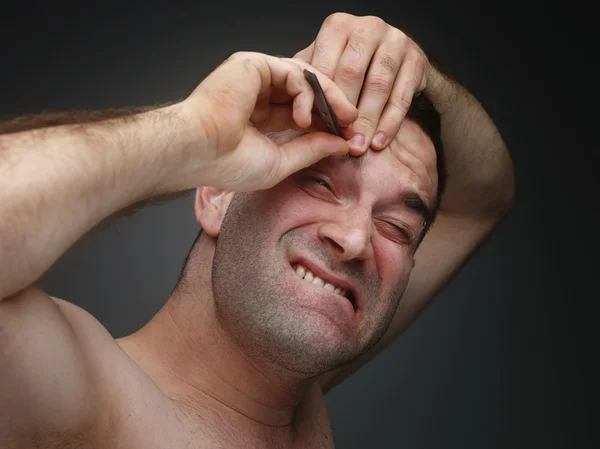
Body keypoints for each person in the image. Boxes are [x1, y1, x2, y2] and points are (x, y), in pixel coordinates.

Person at [0, 12, 514, 449]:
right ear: (218, 195)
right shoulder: (76, 394)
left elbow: (484, 194)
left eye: (396, 227)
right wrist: (194, 135)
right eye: (319, 183)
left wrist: (412, 74)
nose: (356, 240)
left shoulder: (292, 393)